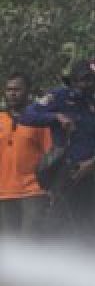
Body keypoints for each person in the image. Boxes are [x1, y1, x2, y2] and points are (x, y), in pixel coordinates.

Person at [19, 59, 95, 237]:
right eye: (85, 79)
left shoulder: (93, 105)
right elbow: (27, 116)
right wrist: (56, 117)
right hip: (63, 173)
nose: (89, 84)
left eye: (93, 80)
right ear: (74, 80)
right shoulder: (58, 96)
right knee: (58, 225)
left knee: (86, 226)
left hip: (86, 174)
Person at [0, 72, 52, 235]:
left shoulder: (40, 120)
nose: (13, 93)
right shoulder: (1, 118)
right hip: (4, 192)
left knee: (30, 245)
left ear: (28, 91)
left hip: (33, 191)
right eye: (9, 89)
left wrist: (52, 188)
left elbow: (51, 154)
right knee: (9, 247)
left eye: (17, 89)